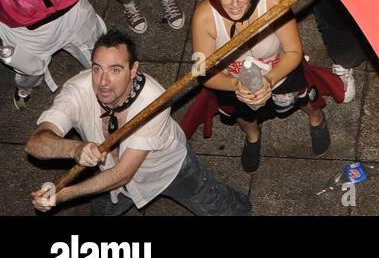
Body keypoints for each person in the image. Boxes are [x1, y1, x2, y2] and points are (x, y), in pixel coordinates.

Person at [27, 30, 251, 216]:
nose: (103, 82)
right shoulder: (77, 90)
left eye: (115, 70)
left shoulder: (154, 101)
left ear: (133, 69)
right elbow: (35, 144)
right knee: (102, 212)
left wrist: (63, 194)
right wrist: (74, 148)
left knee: (219, 207)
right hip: (108, 174)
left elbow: (123, 174)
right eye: (97, 69)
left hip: (166, 168)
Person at [191, 0, 330, 173]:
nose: (235, 2)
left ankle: (316, 117)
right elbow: (202, 72)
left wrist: (269, 80)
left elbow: (294, 51)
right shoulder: (203, 17)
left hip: (279, 69)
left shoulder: (273, 2)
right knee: (241, 112)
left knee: (301, 96)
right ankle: (252, 135)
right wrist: (237, 86)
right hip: (232, 80)